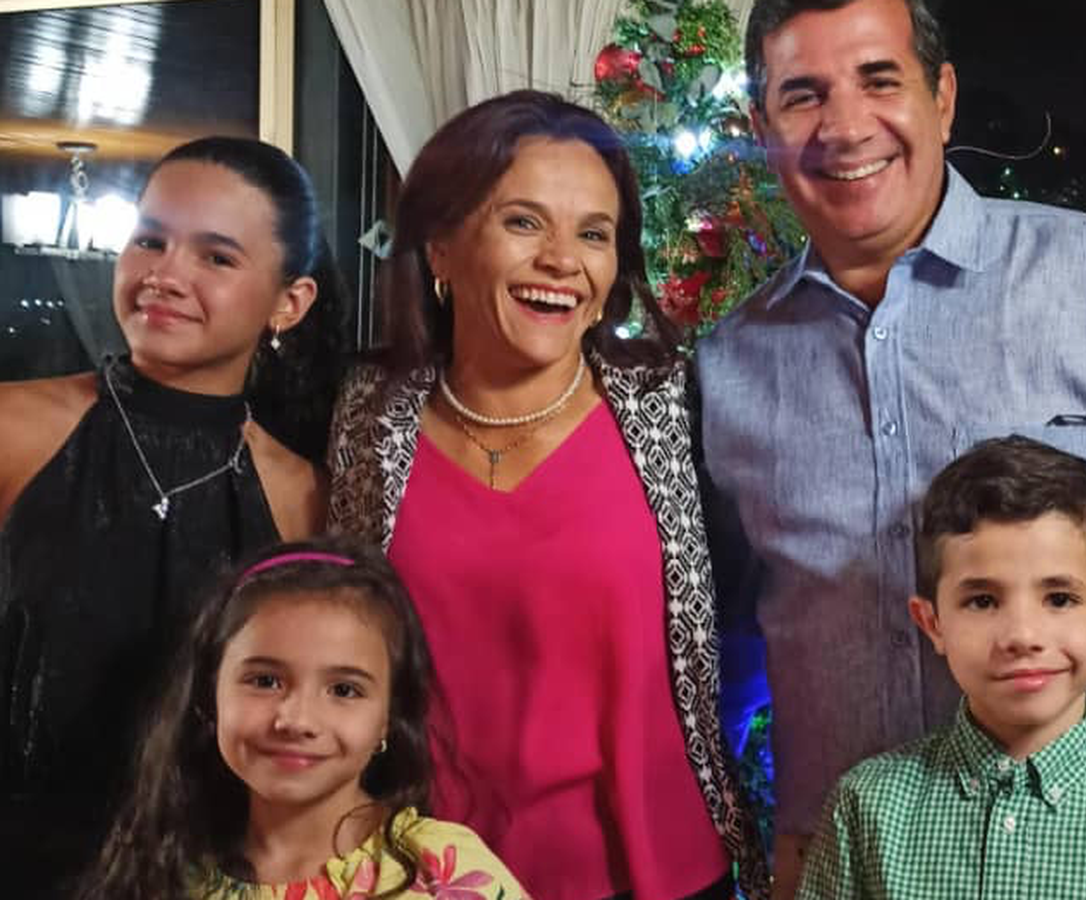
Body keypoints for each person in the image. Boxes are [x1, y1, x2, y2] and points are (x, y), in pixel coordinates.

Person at [695, 0, 1086, 894]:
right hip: (847, 865)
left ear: (943, 96)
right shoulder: (728, 365)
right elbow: (725, 643)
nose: (846, 126)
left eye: (879, 79)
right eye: (803, 94)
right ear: (760, 127)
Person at [328, 90, 768, 900]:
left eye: (594, 234)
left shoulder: (675, 406)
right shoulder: (369, 412)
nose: (564, 260)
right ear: (441, 248)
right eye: (524, 222)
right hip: (424, 872)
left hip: (653, 872)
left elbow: (752, 617)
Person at [0, 136, 346, 894]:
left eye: (215, 257)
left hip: (202, 877)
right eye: (150, 240)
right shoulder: (16, 429)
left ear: (289, 303)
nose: (163, 274)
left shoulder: (302, 495)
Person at [797, 436, 1086, 899]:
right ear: (932, 624)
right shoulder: (864, 809)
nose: (1022, 636)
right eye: (983, 601)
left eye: (1059, 599)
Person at [77, 537, 530, 900]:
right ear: (209, 695)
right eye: (265, 681)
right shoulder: (163, 869)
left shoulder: (443, 872)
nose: (296, 720)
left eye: (344, 690)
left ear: (388, 718)